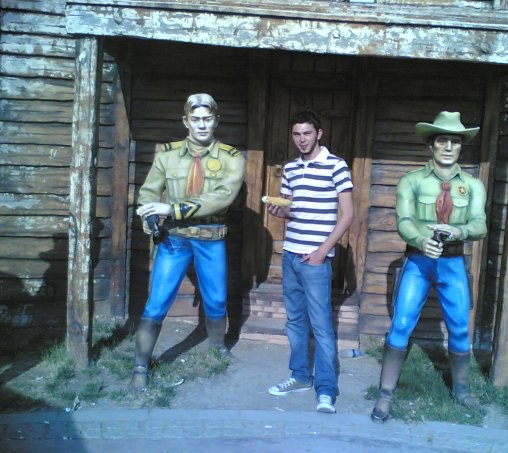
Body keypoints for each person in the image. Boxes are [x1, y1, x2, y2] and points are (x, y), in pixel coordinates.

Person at [371, 111, 487, 423]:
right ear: (431, 144)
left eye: (455, 142)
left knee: (460, 326)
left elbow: (479, 224)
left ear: (461, 146)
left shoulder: (473, 185)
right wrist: (421, 240)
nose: (448, 147)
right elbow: (404, 220)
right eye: (442, 140)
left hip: (452, 263)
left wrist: (459, 232)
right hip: (418, 261)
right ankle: (385, 394)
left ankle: (462, 391)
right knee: (401, 323)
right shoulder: (411, 181)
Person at [130, 93, 246, 392]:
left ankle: (217, 347)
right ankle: (140, 367)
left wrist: (171, 209)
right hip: (175, 239)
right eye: (196, 119)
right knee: (157, 301)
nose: (202, 125)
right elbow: (148, 192)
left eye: (207, 119)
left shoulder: (232, 158)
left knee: (216, 298)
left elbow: (221, 198)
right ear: (186, 121)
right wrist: (149, 215)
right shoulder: (167, 155)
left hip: (210, 238)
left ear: (216, 120)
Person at [265, 110, 354, 414]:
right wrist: (280, 212)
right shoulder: (291, 168)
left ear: (319, 134)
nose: (301, 139)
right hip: (291, 255)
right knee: (295, 321)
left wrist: (322, 251)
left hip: (316, 259)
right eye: (296, 134)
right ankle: (301, 376)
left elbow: (348, 215)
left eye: (307, 133)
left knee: (321, 324)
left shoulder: (337, 165)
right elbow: (292, 210)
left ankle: (326, 390)